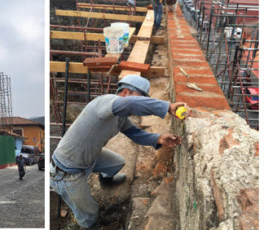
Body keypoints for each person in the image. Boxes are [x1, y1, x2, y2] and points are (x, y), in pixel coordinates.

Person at [50, 75, 188, 228]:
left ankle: (105, 180)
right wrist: (166, 107)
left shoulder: (120, 116)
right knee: (89, 214)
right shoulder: (105, 102)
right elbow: (130, 104)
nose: (140, 106)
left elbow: (135, 134)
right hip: (67, 172)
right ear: (126, 92)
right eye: (140, 98)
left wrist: (159, 139)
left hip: (88, 158)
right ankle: (86, 224)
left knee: (118, 162)